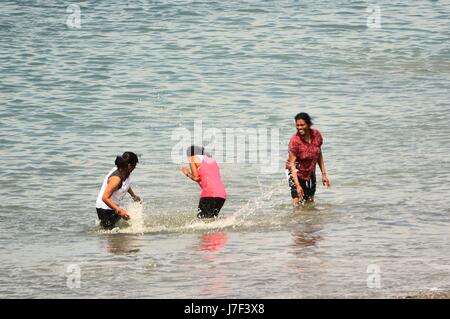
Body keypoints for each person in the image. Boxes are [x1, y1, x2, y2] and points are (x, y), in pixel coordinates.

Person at [286, 112, 330, 206]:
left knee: (310, 200)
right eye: (297, 125)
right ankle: (296, 219)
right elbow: (292, 164)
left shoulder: (316, 135)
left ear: (309, 124)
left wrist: (324, 174)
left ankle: (309, 219)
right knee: (297, 199)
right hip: (295, 171)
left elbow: (318, 153)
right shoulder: (295, 141)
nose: (299, 127)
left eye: (302, 125)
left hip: (310, 171)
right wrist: (298, 185)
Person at [96, 152, 141, 229]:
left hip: (114, 206)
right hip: (104, 208)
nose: (135, 167)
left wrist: (133, 195)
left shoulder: (125, 171)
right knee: (109, 232)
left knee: (118, 232)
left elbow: (125, 185)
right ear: (129, 165)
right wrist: (120, 211)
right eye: (134, 165)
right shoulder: (116, 179)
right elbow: (105, 198)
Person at [181, 145, 227, 218]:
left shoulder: (193, 158)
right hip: (222, 195)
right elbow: (205, 179)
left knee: (201, 220)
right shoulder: (212, 160)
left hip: (209, 194)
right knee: (212, 220)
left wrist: (187, 173)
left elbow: (196, 178)